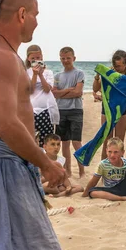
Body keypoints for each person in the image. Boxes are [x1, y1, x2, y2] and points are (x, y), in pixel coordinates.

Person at [0, 0, 64, 250]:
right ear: (21, 14)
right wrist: (46, 163)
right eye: (35, 14)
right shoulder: (1, 57)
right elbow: (6, 124)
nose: (36, 21)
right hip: (1, 166)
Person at [93, 50, 126, 160]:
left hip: (122, 111)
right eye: (114, 65)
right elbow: (95, 89)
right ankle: (104, 169)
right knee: (106, 141)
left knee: (119, 142)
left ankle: (119, 169)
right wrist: (98, 75)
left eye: (119, 66)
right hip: (107, 110)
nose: (116, 68)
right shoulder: (108, 74)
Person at [52, 46, 85, 178]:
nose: (65, 60)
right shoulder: (57, 76)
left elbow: (78, 92)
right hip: (61, 111)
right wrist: (68, 91)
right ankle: (68, 171)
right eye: (63, 58)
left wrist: (62, 93)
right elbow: (53, 94)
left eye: (68, 58)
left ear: (74, 58)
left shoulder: (79, 73)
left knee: (76, 142)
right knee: (64, 143)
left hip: (76, 110)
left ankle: (82, 171)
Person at [25, 44, 59, 147]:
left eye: (38, 58)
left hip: (46, 110)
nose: (36, 60)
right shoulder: (25, 72)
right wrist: (35, 75)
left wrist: (40, 74)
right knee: (32, 139)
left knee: (47, 140)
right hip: (31, 109)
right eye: (33, 58)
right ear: (28, 59)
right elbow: (30, 90)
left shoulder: (48, 72)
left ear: (42, 57)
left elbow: (47, 89)